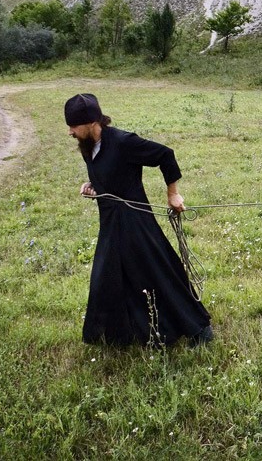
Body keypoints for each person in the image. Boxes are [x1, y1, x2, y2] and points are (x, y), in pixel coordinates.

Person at [65, 93, 213, 347]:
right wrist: (93, 186)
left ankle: (199, 328)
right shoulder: (88, 147)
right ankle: (122, 332)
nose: (70, 132)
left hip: (136, 223)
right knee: (108, 276)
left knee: (157, 272)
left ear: (91, 123)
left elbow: (165, 155)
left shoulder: (123, 142)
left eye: (74, 126)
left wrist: (173, 194)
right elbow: (109, 176)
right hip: (111, 224)